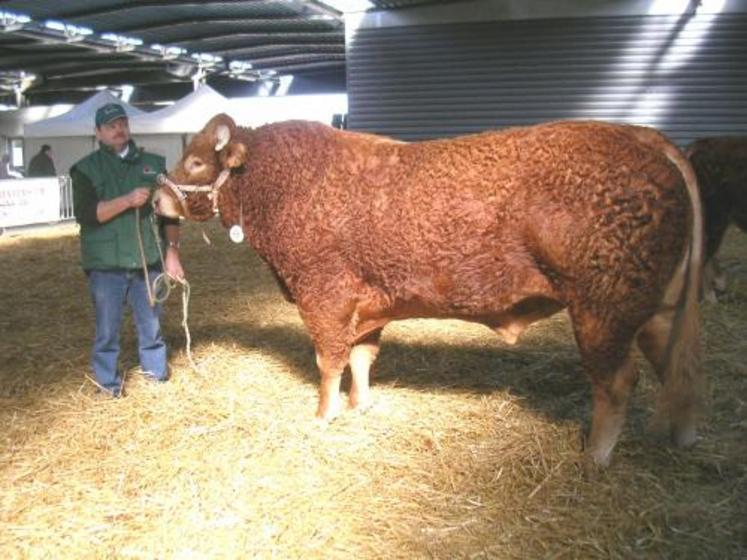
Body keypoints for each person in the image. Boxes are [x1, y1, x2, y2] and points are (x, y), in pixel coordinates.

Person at [71, 102, 184, 397]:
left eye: (122, 123)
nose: (118, 129)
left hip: (148, 258)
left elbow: (170, 212)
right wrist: (127, 200)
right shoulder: (84, 170)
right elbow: (87, 215)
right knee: (107, 329)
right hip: (106, 264)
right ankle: (108, 385)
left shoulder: (154, 164)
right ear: (98, 133)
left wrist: (172, 251)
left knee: (152, 323)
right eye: (111, 126)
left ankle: (155, 376)